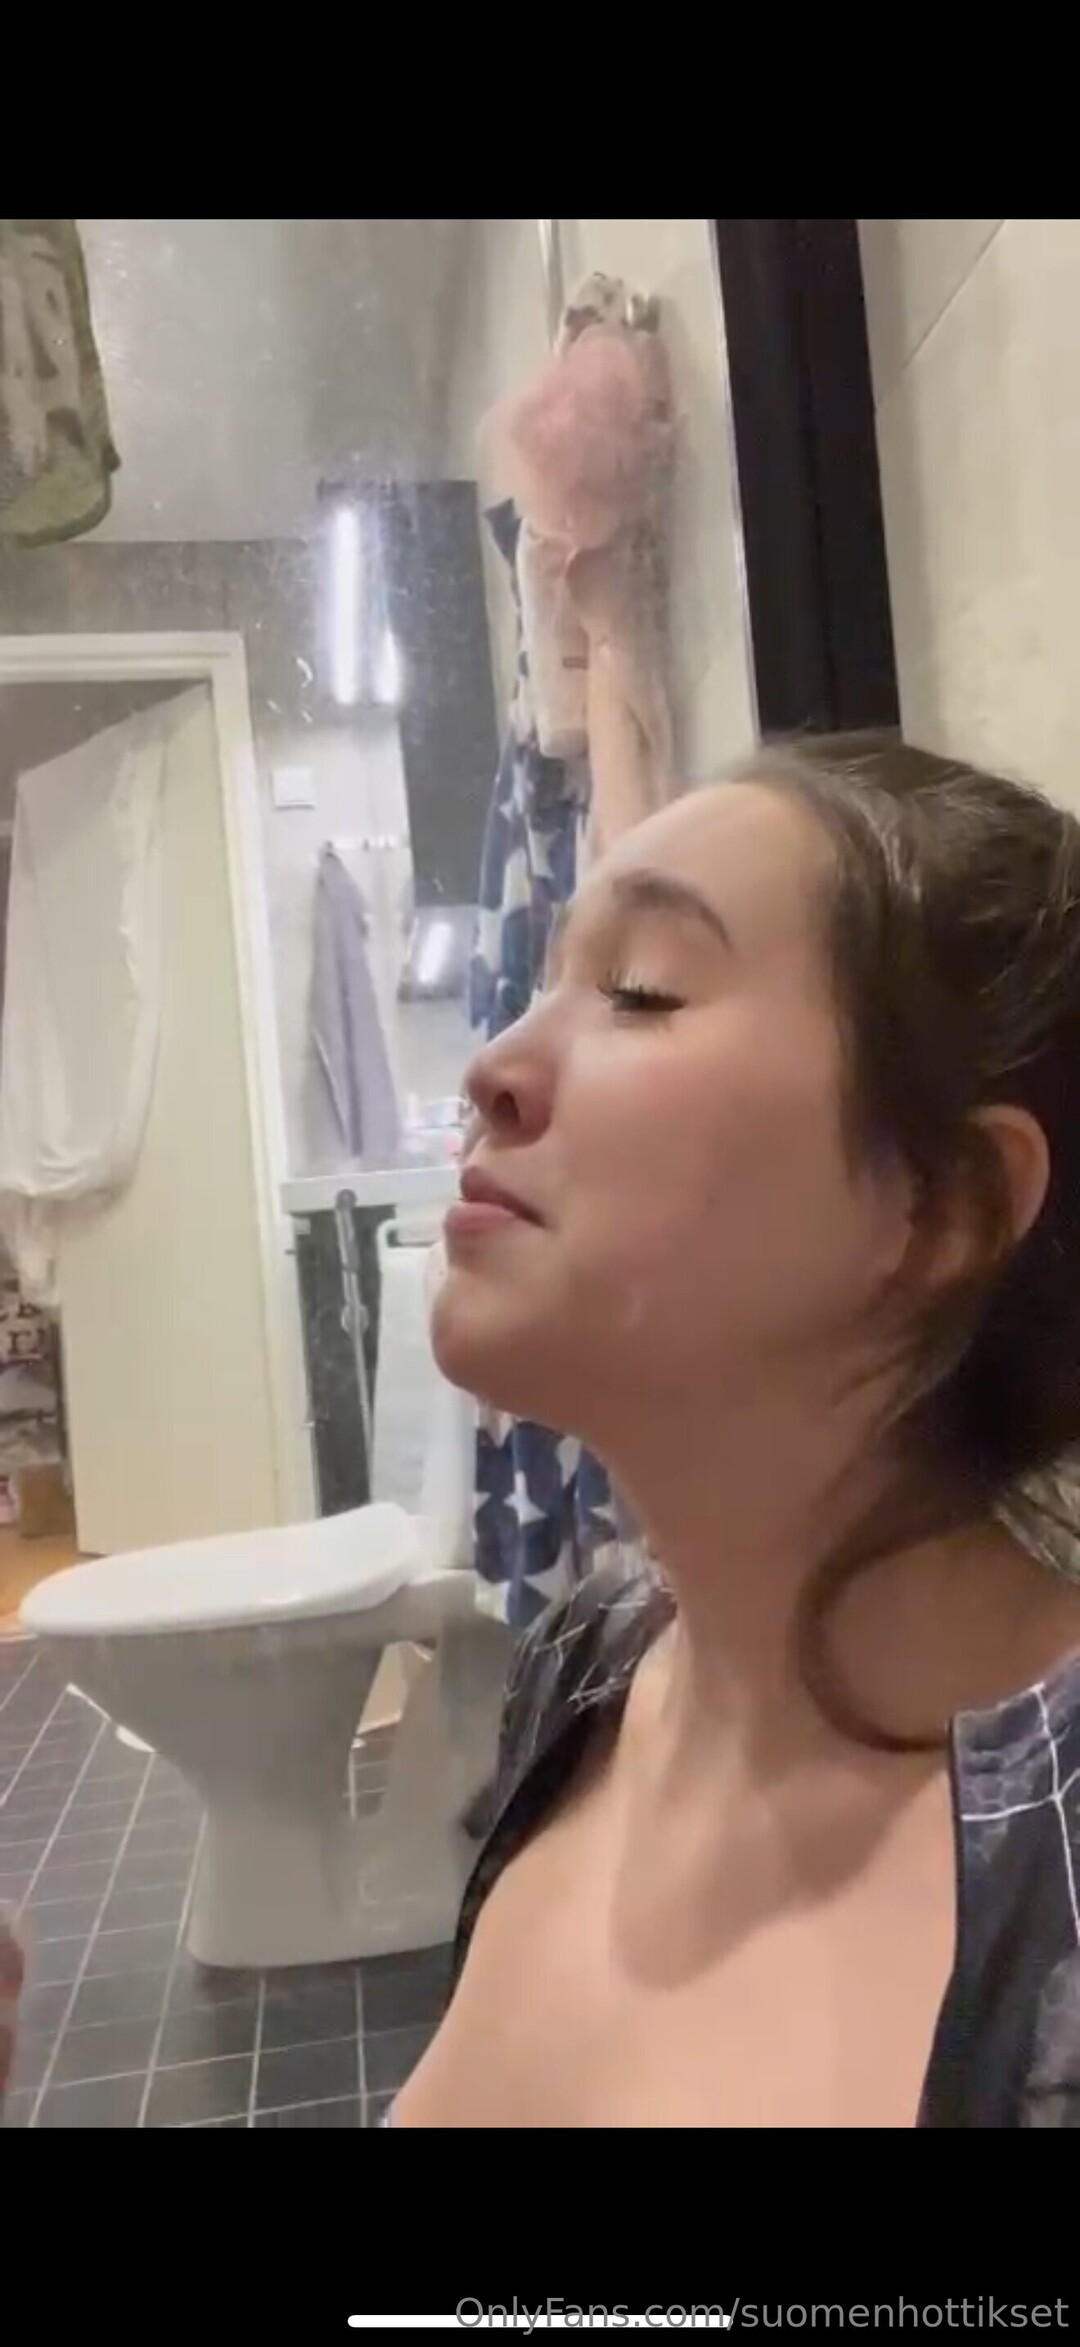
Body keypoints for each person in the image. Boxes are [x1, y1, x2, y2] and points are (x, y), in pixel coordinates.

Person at [396, 739, 1080, 2129]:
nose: (494, 1070)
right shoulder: (586, 1675)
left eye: (642, 991)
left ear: (944, 1206)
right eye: (551, 982)